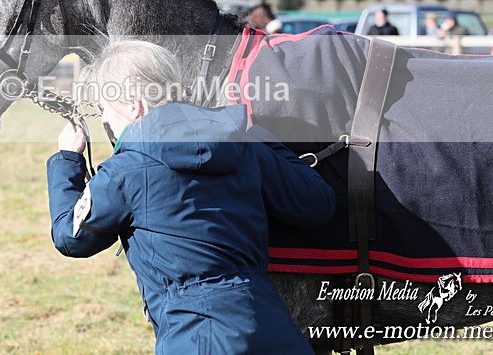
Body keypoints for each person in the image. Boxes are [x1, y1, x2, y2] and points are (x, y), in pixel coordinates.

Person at [47, 40, 336, 354]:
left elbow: (70, 238)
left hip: (194, 340)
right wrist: (259, 137)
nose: (104, 119)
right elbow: (317, 204)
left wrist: (67, 161)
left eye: (104, 107)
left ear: (133, 105)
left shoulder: (123, 172)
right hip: (276, 332)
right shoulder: (242, 144)